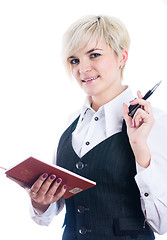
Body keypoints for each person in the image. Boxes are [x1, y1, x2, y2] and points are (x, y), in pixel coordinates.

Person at [28, 15, 167, 239]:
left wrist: (139, 147)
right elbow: (52, 211)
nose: (83, 69)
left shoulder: (156, 123)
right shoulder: (71, 124)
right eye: (74, 60)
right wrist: (41, 202)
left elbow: (162, 223)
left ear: (122, 57)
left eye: (94, 55)